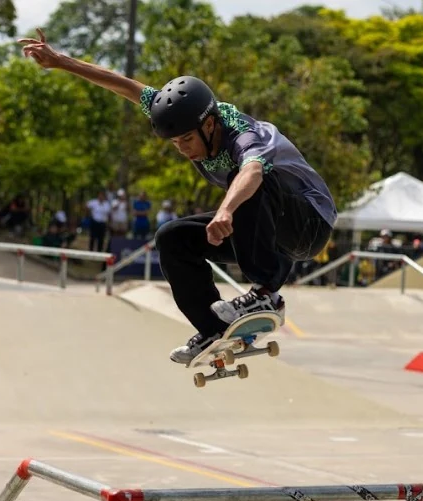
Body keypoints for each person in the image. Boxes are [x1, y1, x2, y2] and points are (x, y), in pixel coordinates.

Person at [19, 29, 336, 363]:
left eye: (187, 139)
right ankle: (214, 328)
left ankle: (265, 293)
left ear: (210, 124)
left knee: (251, 181)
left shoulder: (243, 135)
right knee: (172, 238)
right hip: (268, 230)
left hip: (308, 223)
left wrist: (225, 211)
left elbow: (253, 171)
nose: (184, 150)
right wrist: (60, 61)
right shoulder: (182, 111)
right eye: (175, 144)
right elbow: (124, 84)